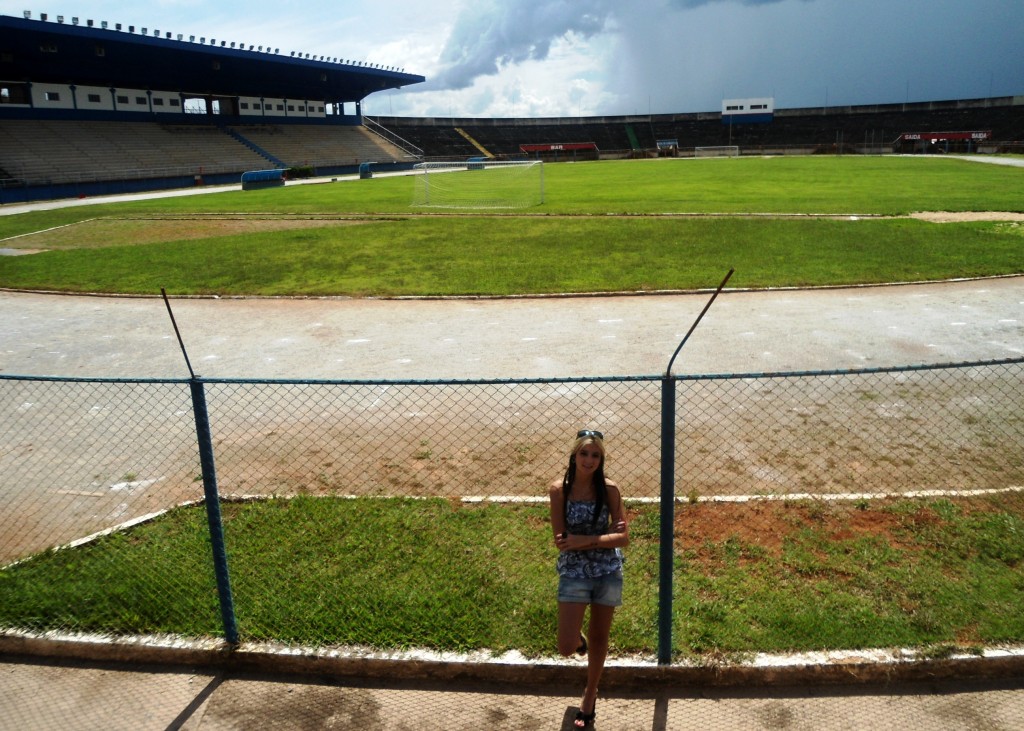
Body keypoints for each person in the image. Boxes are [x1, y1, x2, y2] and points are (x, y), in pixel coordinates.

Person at [550, 429, 629, 729]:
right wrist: (596, 539)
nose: (589, 460)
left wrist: (584, 540)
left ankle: (590, 695)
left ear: (601, 459)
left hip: (607, 571)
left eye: (595, 455)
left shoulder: (610, 490)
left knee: (600, 637)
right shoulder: (559, 490)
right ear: (574, 455)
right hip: (573, 571)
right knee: (566, 646)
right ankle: (577, 640)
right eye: (584, 453)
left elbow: (623, 538)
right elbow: (561, 541)